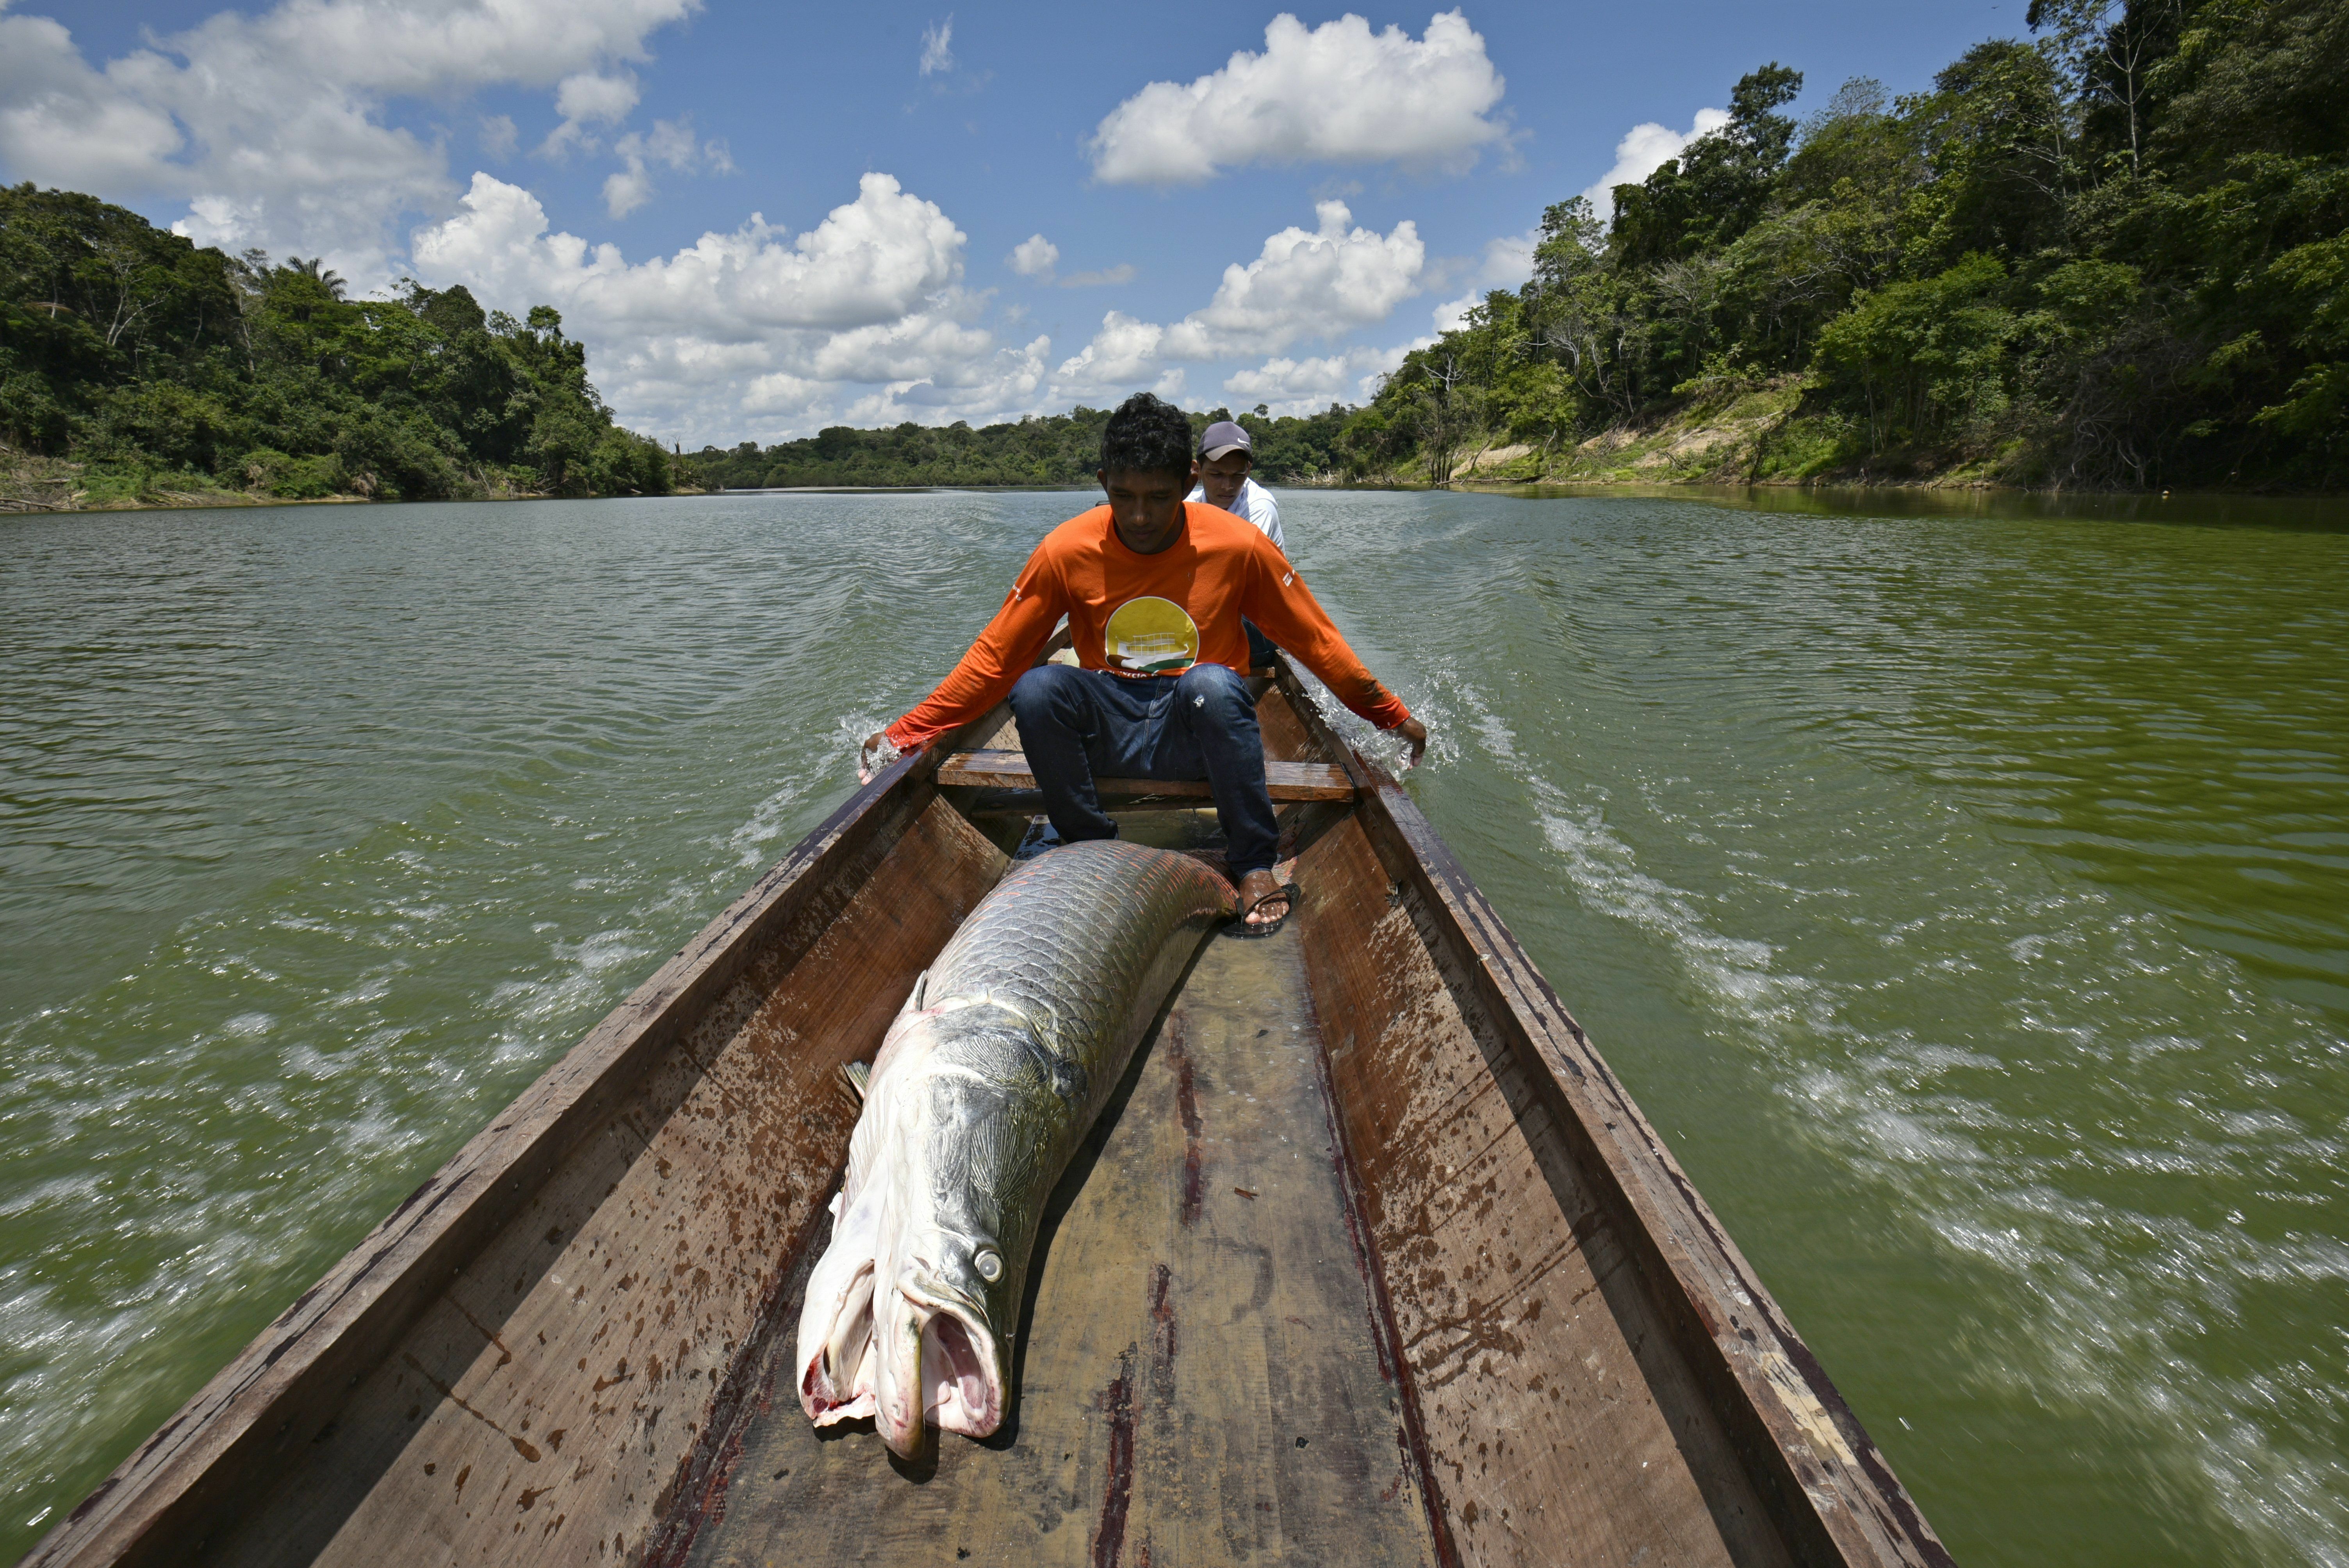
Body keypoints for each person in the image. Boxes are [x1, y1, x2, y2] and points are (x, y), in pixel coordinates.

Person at [861, 392, 1426, 934]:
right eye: (1124, 496)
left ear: (1188, 483)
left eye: (1158, 497)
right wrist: (905, 734)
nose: (1139, 516)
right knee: (1036, 690)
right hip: (1109, 724)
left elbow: (1315, 641)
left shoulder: (1238, 545)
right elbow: (994, 659)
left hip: (1200, 733)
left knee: (1213, 684)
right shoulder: (1066, 550)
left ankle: (1253, 861)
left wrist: (1390, 715)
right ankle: (1090, 845)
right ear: (1104, 483)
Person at [1187, 419, 1282, 548]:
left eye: (1238, 475)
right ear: (1197, 470)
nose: (1227, 486)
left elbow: (1236, 561)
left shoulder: (1259, 509)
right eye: (1217, 475)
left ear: (1248, 470)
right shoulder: (1187, 504)